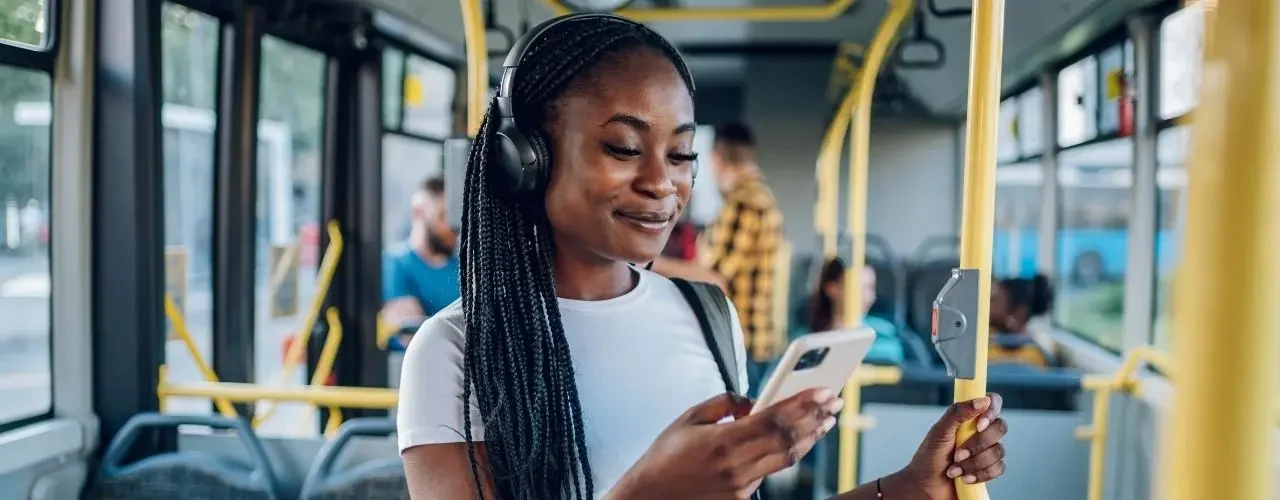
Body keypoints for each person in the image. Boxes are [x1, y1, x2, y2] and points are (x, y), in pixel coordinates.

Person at [398, 13, 1009, 500]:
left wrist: (906, 488)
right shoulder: (454, 350)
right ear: (525, 160)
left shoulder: (708, 314)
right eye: (624, 147)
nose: (662, 183)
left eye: (682, 155)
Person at [702, 120, 785, 392]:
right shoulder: (762, 198)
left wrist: (655, 266)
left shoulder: (744, 203)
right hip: (758, 341)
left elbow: (713, 277)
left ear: (717, 158)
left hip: (743, 341)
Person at [381, 177, 460, 328]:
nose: (453, 227)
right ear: (418, 213)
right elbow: (409, 333)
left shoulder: (463, 268)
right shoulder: (395, 263)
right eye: (442, 216)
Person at [806, 258, 904, 365]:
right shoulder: (807, 338)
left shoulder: (884, 332)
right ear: (832, 288)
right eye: (860, 287)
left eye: (870, 288)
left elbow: (895, 353)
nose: (868, 296)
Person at [988, 274, 1056, 367]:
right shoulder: (984, 336)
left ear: (1018, 313)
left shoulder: (1036, 357)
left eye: (994, 300)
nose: (987, 306)